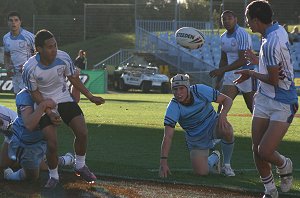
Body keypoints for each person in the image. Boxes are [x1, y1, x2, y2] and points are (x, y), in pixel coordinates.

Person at [22, 29, 105, 186]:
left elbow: (73, 78)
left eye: (55, 45)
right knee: (52, 144)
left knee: (82, 132)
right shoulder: (29, 68)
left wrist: (91, 96)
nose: (54, 49)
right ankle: (54, 176)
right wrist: (48, 111)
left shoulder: (63, 57)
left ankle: (80, 165)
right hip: (44, 102)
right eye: (49, 47)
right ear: (39, 49)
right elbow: (35, 94)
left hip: (64, 98)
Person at [234, 1, 298, 197]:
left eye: (248, 21)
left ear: (256, 20)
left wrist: (250, 72)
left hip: (282, 101)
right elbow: (275, 64)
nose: (248, 25)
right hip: (263, 97)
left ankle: (284, 164)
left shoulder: (270, 43)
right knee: (256, 147)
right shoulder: (276, 30)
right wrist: (258, 62)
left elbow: (274, 80)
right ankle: (270, 190)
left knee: (265, 151)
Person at [159, 74, 235, 178]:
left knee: (227, 129)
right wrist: (163, 161)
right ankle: (214, 157)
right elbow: (168, 136)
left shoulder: (200, 90)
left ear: (188, 87)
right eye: (175, 89)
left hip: (212, 124)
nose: (178, 93)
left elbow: (227, 100)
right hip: (196, 138)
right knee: (201, 172)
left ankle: (226, 165)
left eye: (181, 88)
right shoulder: (173, 106)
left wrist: (223, 114)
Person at [2, 89, 74, 183]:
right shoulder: (25, 96)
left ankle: (62, 160)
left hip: (23, 136)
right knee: (6, 165)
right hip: (17, 135)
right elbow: (28, 125)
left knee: (40, 167)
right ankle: (62, 160)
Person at [209, 10, 256, 114]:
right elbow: (224, 60)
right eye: (223, 19)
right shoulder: (223, 37)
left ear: (235, 19)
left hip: (246, 74)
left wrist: (221, 70)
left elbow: (243, 60)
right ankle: (218, 130)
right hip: (231, 76)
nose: (226, 21)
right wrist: (218, 80)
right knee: (221, 108)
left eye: (229, 18)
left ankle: (265, 129)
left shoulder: (242, 34)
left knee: (253, 108)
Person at [2, 11, 34, 95]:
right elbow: (6, 55)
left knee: (27, 102)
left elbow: (38, 54)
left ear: (20, 22)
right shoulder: (6, 38)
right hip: (15, 75)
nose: (13, 23)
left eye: (16, 20)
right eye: (11, 20)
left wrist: (26, 66)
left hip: (28, 75)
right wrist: (7, 67)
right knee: (18, 101)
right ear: (8, 22)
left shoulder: (29, 36)